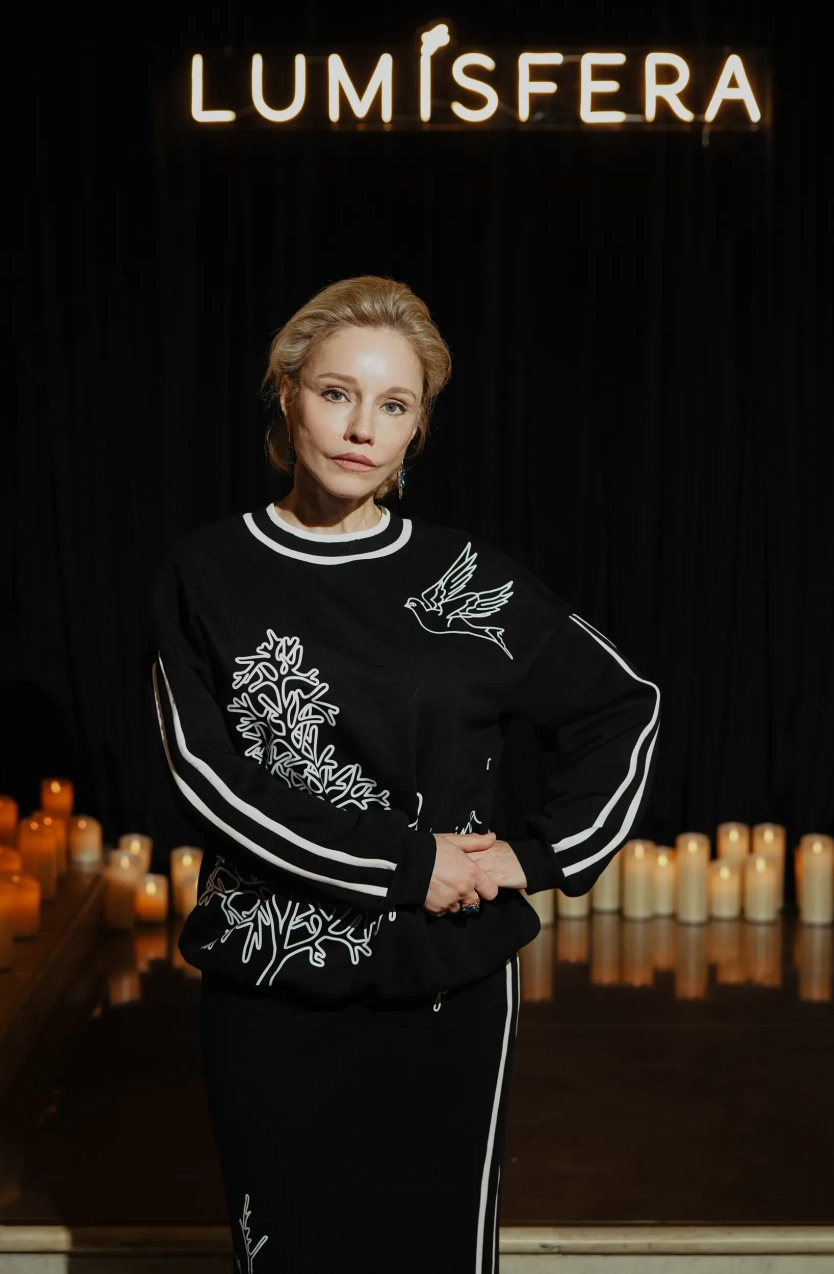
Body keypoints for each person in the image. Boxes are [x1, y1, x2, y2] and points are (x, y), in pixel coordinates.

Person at [150, 275, 661, 1274]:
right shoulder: (206, 574)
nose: (361, 429)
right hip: (272, 983)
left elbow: (622, 705)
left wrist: (536, 856)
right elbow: (210, 778)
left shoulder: (466, 580)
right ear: (287, 393)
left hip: (448, 987)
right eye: (336, 393)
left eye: (394, 405)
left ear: (418, 427)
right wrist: (406, 863)